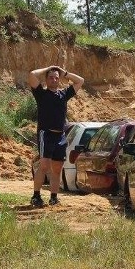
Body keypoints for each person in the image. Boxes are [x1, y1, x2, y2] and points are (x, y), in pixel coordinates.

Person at [28, 64, 84, 207]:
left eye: (56, 78)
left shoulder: (64, 94)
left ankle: (54, 197)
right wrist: (48, 69)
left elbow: (80, 81)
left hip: (60, 136)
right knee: (44, 166)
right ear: (46, 80)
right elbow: (32, 75)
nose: (54, 80)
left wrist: (65, 73)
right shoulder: (41, 93)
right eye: (51, 78)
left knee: (57, 168)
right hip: (45, 134)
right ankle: (36, 196)